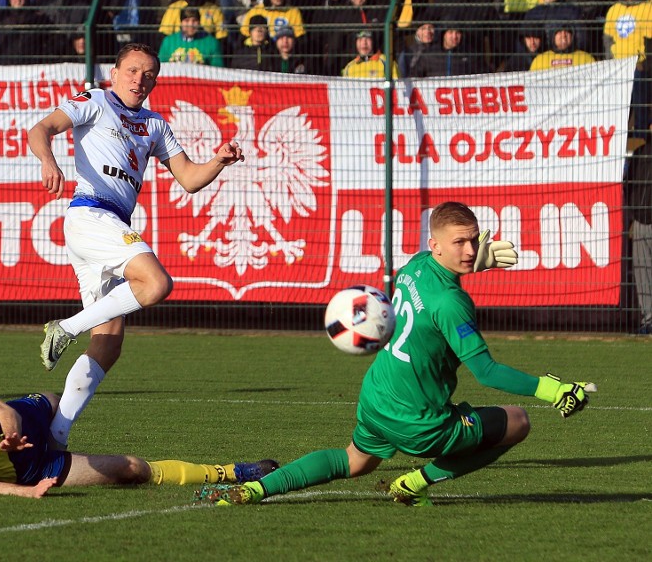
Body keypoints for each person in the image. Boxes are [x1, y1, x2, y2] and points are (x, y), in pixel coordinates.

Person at [195, 201, 597, 507]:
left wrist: (474, 264)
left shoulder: (414, 266)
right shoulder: (452, 303)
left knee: (354, 461)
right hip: (420, 422)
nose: (471, 249)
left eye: (474, 239)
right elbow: (487, 372)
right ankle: (417, 483)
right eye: (460, 242)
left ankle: (253, 490)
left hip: (377, 398)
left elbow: (436, 285)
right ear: (435, 244)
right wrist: (552, 389)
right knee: (517, 422)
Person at [27, 43, 244, 447]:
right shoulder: (93, 101)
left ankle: (56, 438)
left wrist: (218, 160)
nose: (138, 79)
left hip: (109, 225)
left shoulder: (156, 125)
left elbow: (190, 179)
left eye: (148, 74)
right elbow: (40, 129)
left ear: (155, 82)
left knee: (109, 341)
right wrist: (48, 160)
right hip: (91, 214)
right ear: (114, 74)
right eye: (131, 70)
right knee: (157, 283)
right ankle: (66, 327)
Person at [0, 362, 278, 497]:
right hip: (28, 468)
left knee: (52, 398)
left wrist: (10, 431)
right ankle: (234, 473)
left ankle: (53, 426)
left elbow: (1, 410)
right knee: (131, 468)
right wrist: (28, 491)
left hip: (18, 422)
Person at [604, 0, 652, 137]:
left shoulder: (648, 7)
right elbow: (608, 40)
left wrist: (644, 64)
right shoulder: (614, 9)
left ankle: (640, 137)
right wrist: (612, 64)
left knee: (640, 94)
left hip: (640, 66)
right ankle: (617, 137)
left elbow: (650, 41)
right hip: (618, 67)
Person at [624, 130, 652, 334]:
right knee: (643, 273)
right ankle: (648, 320)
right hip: (641, 220)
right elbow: (628, 186)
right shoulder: (639, 154)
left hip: (643, 218)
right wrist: (633, 216)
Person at [158, 6, 225, 66]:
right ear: (181, 23)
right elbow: (161, 66)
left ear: (199, 22)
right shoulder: (168, 41)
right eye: (187, 21)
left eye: (194, 21)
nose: (191, 24)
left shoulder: (212, 42)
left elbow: (218, 69)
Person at [529, 21, 595, 70]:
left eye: (567, 31)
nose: (563, 35)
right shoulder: (540, 60)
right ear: (553, 36)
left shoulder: (586, 58)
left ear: (572, 36)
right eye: (559, 32)